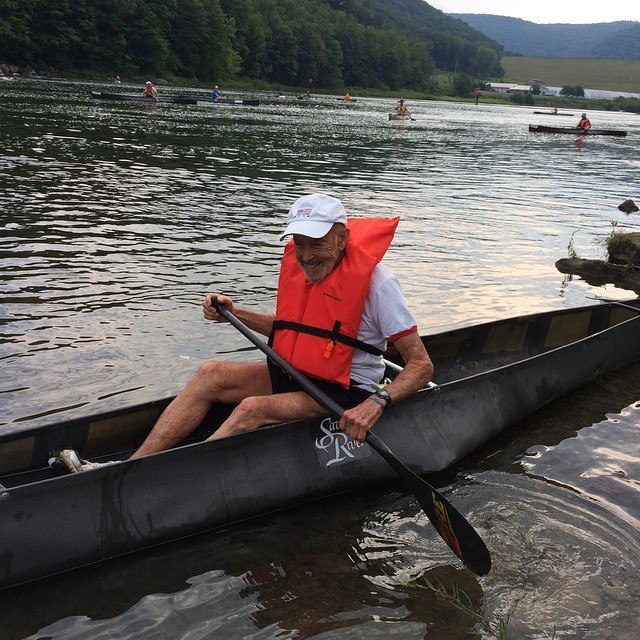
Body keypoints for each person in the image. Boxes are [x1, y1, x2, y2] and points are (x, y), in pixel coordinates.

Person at [52, 194, 434, 473]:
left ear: (342, 238)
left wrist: (376, 403)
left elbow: (420, 365)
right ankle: (131, 468)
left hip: (343, 389)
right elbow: (292, 330)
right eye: (298, 244)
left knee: (253, 408)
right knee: (210, 373)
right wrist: (234, 313)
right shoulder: (303, 270)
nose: (305, 255)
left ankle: (171, 476)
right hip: (297, 372)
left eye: (316, 243)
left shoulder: (378, 283)